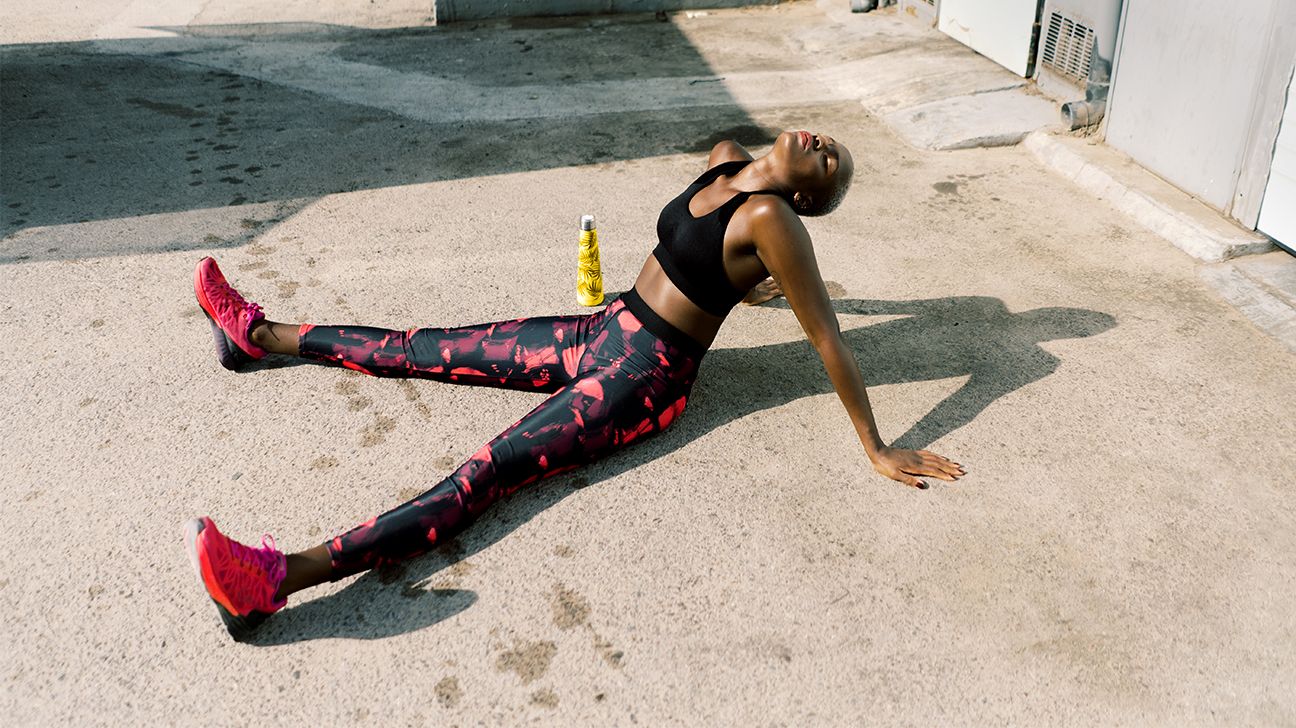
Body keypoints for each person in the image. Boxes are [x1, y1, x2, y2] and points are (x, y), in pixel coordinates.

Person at [185, 130, 965, 639]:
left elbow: (825, 330)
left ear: (807, 202)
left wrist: (877, 445)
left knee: (488, 470)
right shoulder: (732, 160)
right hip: (604, 329)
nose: (823, 144)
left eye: (828, 165)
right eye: (830, 144)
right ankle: (255, 336)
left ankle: (278, 578)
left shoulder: (774, 219)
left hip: (643, 380)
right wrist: (751, 283)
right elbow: (713, 248)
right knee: (425, 346)